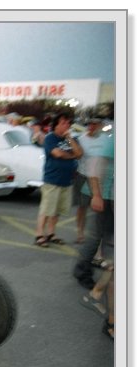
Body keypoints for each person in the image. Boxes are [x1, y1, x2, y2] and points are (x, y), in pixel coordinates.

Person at [76, 135, 114, 338]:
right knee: (99, 242)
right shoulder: (115, 139)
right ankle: (87, 279)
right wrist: (98, 195)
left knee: (112, 256)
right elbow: (93, 167)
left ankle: (97, 291)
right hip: (109, 201)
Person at [33, 112, 83, 247]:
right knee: (47, 209)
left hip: (66, 181)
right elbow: (58, 153)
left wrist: (70, 139)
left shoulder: (71, 139)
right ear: (56, 125)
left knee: (57, 210)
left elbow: (79, 154)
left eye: (68, 123)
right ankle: (39, 234)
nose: (67, 125)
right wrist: (71, 155)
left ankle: (51, 233)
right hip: (52, 179)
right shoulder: (50, 138)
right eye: (63, 123)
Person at [75, 117, 108, 243]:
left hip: (100, 177)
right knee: (82, 206)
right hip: (84, 175)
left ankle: (99, 234)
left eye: (95, 125)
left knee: (100, 207)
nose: (92, 127)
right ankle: (80, 233)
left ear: (100, 126)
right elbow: (77, 155)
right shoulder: (82, 139)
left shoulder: (105, 139)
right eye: (90, 124)